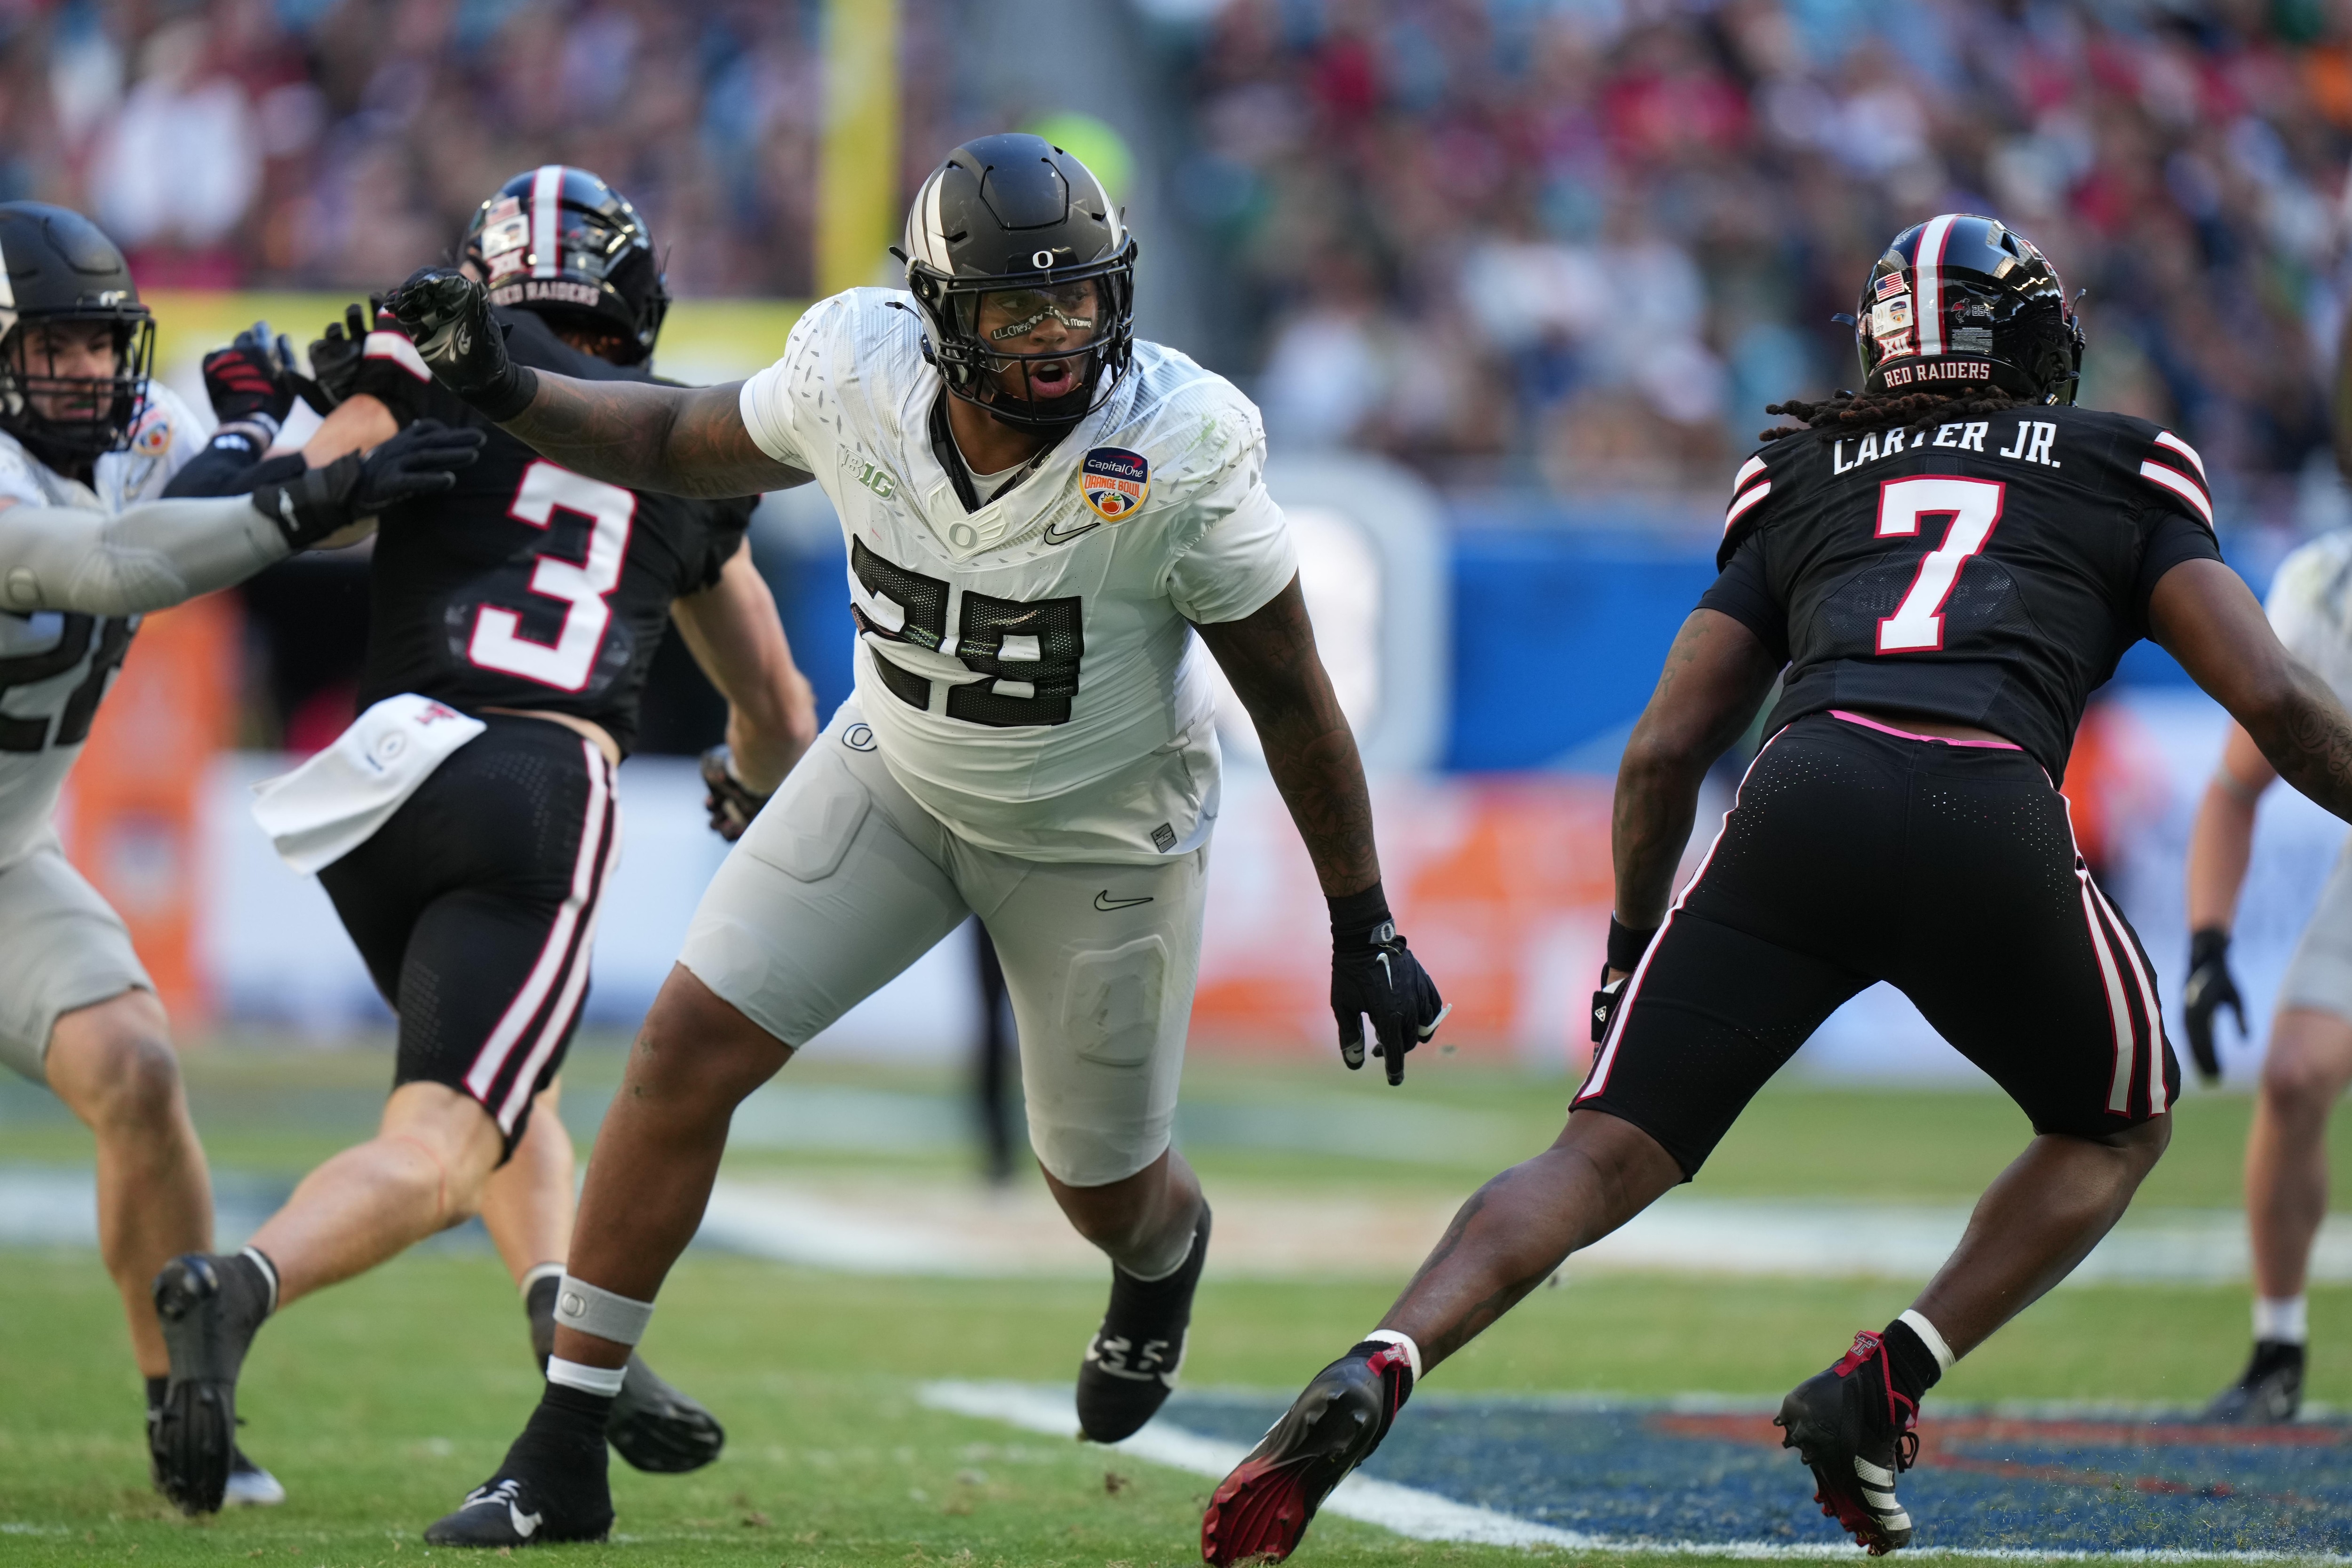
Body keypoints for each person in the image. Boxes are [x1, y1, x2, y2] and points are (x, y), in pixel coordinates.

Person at [1199, 212, 2352, 1564]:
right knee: (2116, 1122)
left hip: (1801, 795)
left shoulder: (1806, 465)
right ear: (2038, 344)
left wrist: (1632, 947)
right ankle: (1886, 1378)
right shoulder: (2121, 459)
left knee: (1597, 1152)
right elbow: (2268, 693)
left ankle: (1387, 1353)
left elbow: (1665, 745)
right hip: (1988, 798)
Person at [382, 132, 1447, 1546]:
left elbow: (1296, 695)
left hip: (1101, 837)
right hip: (897, 774)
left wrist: (1363, 914)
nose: (1061, 332)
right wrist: (503, 390)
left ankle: (1163, 1258)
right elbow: (671, 439)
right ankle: (565, 1435)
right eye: (1020, 307)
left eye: (1079, 297)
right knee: (684, 1051)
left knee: (1101, 1186)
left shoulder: (1183, 443)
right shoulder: (856, 371)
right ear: (943, 314)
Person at [144, 166, 819, 1515]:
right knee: (450, 1138)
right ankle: (239, 1287)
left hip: (376, 781)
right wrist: (755, 799)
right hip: (532, 776)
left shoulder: (426, 357)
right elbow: (776, 706)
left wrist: (291, 410)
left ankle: (565, 1332)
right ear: (635, 296)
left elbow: (283, 498)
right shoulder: (675, 440)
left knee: (517, 1099)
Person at [0, 201, 482, 1511]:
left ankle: (183, 1396)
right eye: (53, 347)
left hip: (4, 863)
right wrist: (265, 449)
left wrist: (369, 391)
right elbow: (118, 563)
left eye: (101, 347)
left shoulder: (142, 432)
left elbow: (285, 507)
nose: (90, 376)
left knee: (141, 1072)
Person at [2179, 523, 2352, 1422]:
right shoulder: (2328, 587)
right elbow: (2238, 783)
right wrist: (2209, 944)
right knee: (2290, 1078)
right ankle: (2277, 1352)